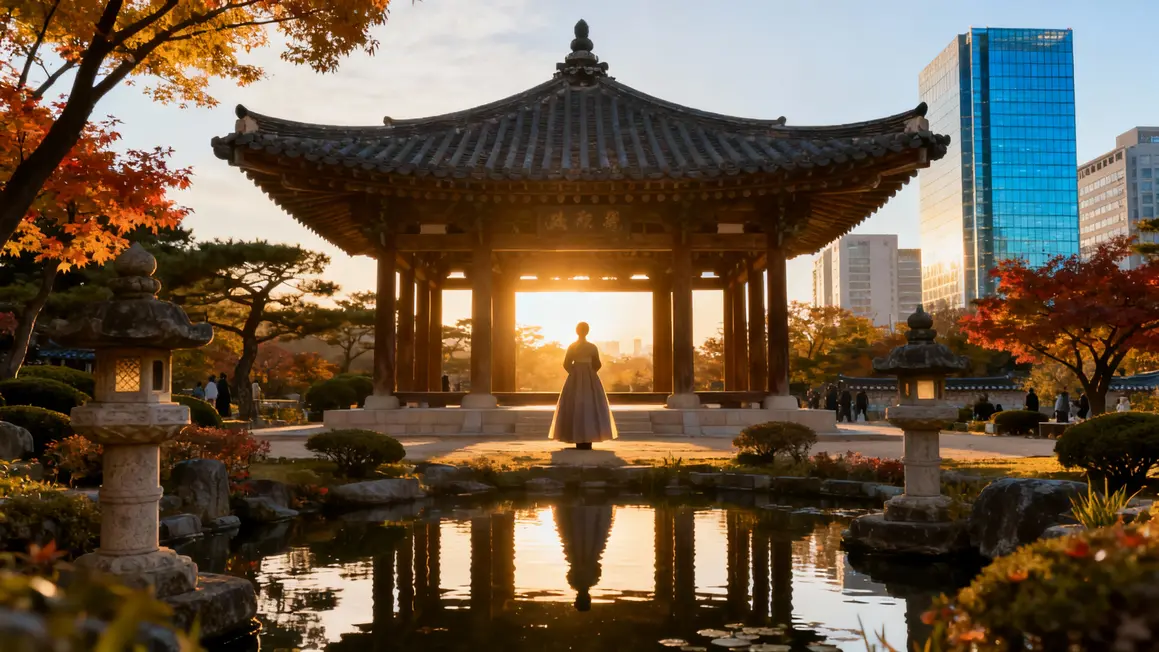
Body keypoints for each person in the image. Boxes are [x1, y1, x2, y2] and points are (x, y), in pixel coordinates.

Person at [549, 322, 617, 450]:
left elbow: (566, 364)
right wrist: (589, 373)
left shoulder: (572, 346)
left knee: (575, 406)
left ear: (576, 331)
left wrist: (575, 373)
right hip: (589, 376)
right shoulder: (592, 347)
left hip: (575, 376)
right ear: (587, 331)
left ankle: (576, 438)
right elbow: (598, 364)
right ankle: (589, 439)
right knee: (590, 406)